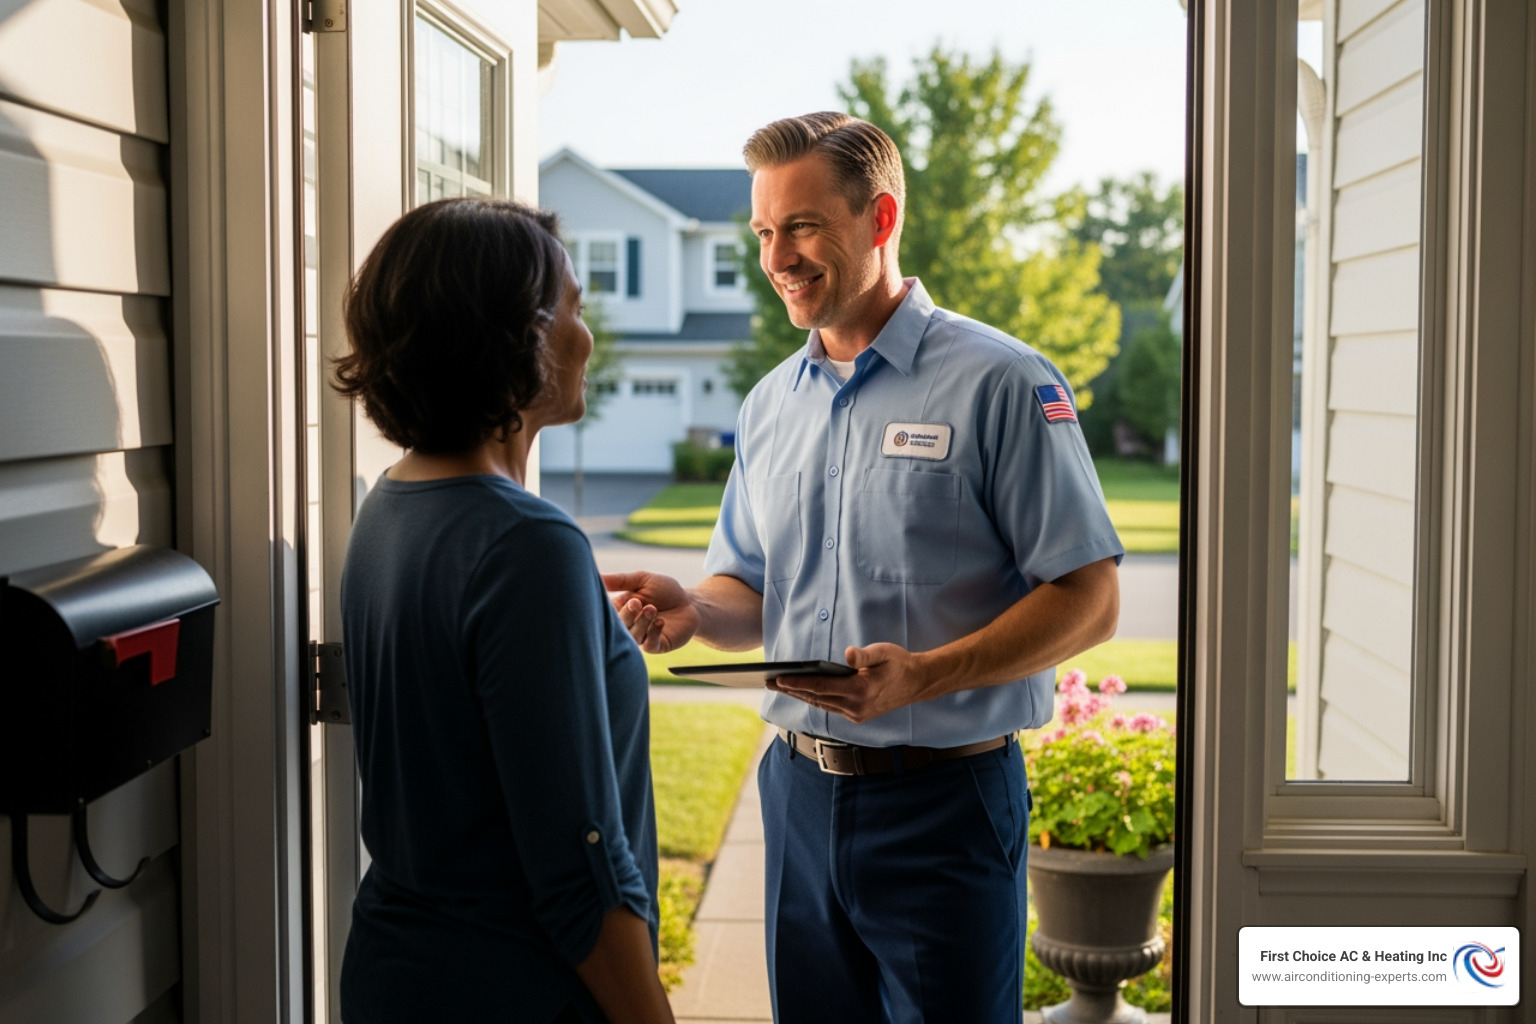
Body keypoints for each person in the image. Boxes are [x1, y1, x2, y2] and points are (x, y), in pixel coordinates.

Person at [603, 112, 1122, 1023]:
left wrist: (925, 676)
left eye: (802, 227)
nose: (777, 258)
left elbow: (1091, 598)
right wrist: (694, 607)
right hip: (798, 793)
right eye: (765, 232)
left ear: (879, 220)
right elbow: (752, 590)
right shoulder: (770, 405)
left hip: (945, 804)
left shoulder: (1001, 381)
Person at [332, 197, 675, 1024]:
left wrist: (565, 625)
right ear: (515, 334)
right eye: (574, 308)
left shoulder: (391, 508)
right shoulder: (526, 544)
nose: (586, 337)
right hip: (514, 988)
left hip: (397, 973)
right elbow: (578, 869)